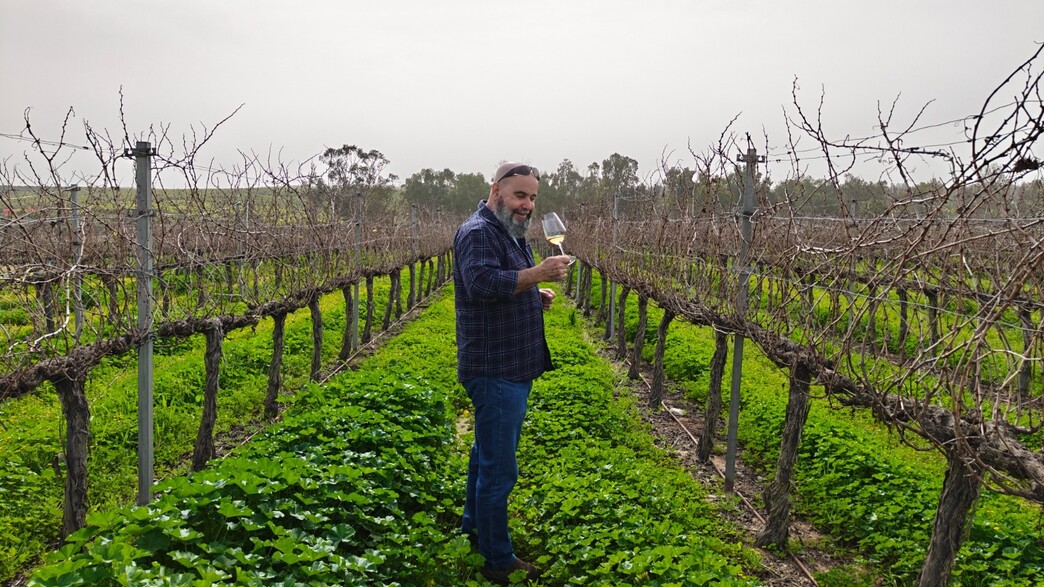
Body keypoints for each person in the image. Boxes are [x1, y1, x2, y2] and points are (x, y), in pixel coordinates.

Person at [454, 161, 571, 584]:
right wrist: (539, 272)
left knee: (485, 455)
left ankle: (473, 530)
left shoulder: (507, 229)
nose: (527, 204)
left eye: (533, 197)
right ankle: (497, 561)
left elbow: (503, 281)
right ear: (496, 190)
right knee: (500, 470)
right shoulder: (479, 231)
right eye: (520, 195)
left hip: (509, 365)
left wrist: (531, 293)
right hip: (495, 367)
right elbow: (481, 284)